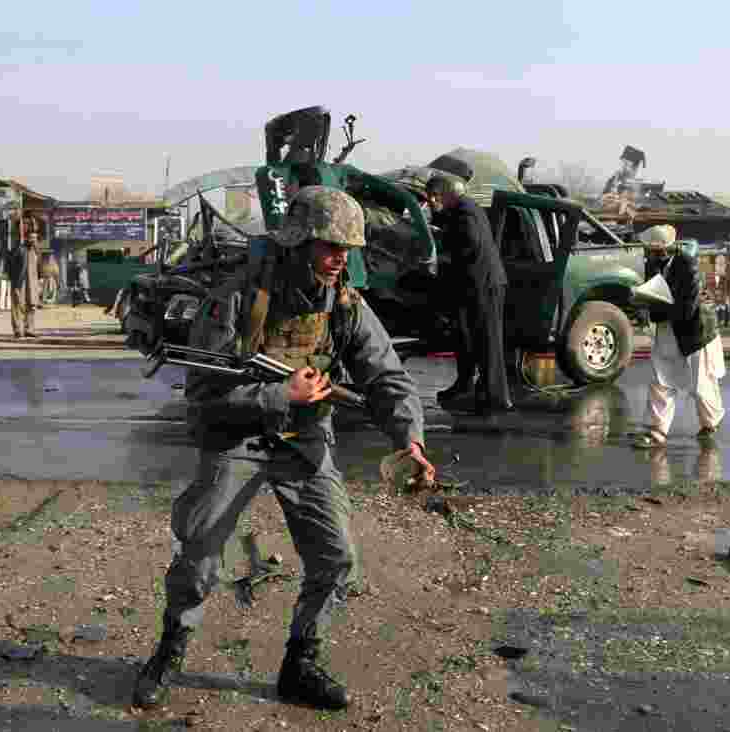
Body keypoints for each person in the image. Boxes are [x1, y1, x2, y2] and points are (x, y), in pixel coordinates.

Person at [132, 186, 436, 711]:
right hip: (240, 437)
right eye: (330, 246)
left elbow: (387, 376)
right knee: (201, 555)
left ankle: (300, 663)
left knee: (336, 558)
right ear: (298, 243)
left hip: (305, 438)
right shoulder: (236, 298)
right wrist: (279, 393)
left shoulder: (343, 303)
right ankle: (168, 651)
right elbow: (203, 397)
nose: (341, 257)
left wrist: (410, 440)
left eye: (349, 248)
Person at [426, 172, 513, 414]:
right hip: (474, 284)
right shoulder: (462, 208)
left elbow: (470, 242)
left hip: (485, 284)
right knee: (466, 339)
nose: (432, 201)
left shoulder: (465, 211)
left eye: (434, 197)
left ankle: (496, 398)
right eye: (429, 197)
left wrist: (444, 249)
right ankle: (465, 386)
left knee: (488, 342)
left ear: (445, 194)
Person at [633, 224, 725, 447]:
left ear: (665, 249)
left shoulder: (687, 265)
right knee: (661, 380)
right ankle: (657, 430)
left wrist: (656, 310)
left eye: (654, 249)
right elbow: (653, 296)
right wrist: (644, 307)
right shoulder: (652, 265)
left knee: (700, 386)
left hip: (695, 330)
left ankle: (711, 422)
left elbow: (687, 309)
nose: (651, 253)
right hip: (668, 327)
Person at [8, 230, 40, 338]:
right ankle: (17, 330)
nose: (33, 240)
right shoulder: (20, 250)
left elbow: (38, 268)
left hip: (33, 283)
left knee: (32, 305)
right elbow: (11, 266)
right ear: (26, 238)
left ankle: (29, 329)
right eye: (31, 238)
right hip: (20, 282)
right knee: (17, 306)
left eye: (35, 238)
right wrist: (14, 282)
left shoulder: (36, 251)